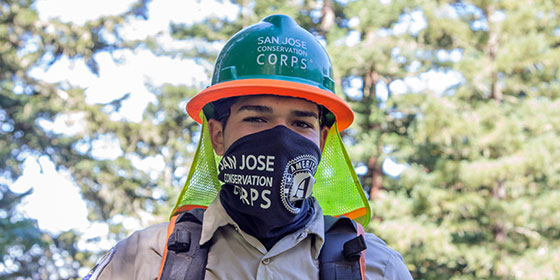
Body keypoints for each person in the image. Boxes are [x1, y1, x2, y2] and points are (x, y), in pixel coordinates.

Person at [84, 14, 413, 280]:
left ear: (323, 139)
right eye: (257, 119)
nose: (281, 139)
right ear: (217, 134)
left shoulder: (376, 269)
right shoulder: (144, 261)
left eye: (301, 124)